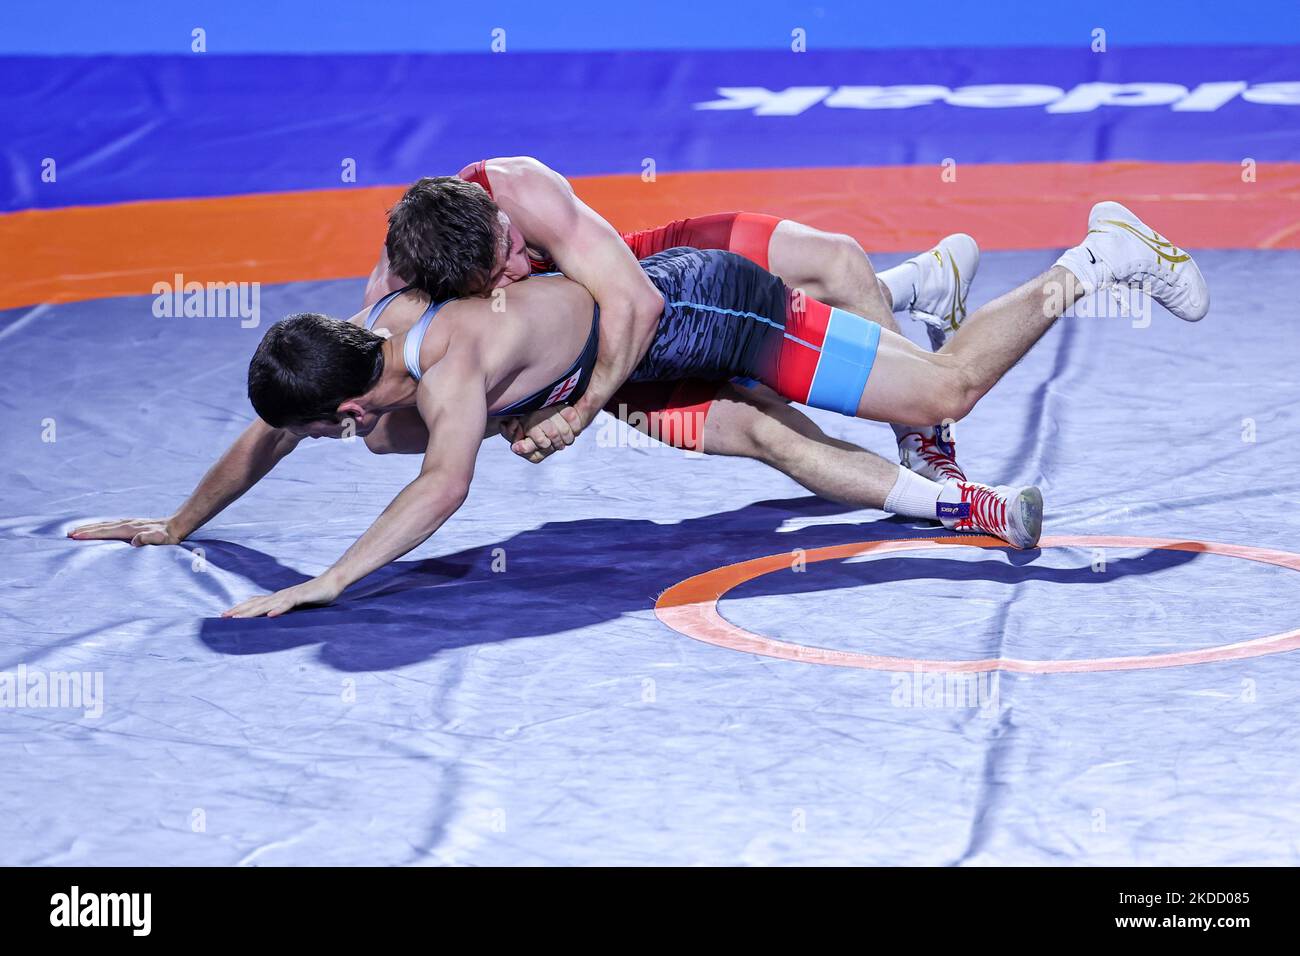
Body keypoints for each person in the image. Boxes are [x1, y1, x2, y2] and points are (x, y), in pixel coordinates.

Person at [66, 201, 1206, 619]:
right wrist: (178, 523)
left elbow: (444, 483)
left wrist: (330, 579)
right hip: (613, 379)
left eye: (334, 425)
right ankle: (951, 472)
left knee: (944, 385)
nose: (327, 440)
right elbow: (270, 429)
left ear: (355, 389)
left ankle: (1092, 259)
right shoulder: (364, 336)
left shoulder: (448, 359)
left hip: (700, 316)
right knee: (772, 443)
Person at [372, 157, 977, 480]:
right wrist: (512, 407)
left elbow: (636, 301)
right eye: (493, 284)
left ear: (498, 218)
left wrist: (572, 415)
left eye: (509, 254)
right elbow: (350, 410)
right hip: (609, 372)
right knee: (771, 424)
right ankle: (916, 288)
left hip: (639, 277)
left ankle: (922, 443)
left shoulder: (517, 188)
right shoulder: (403, 284)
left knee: (839, 260)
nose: (516, 276)